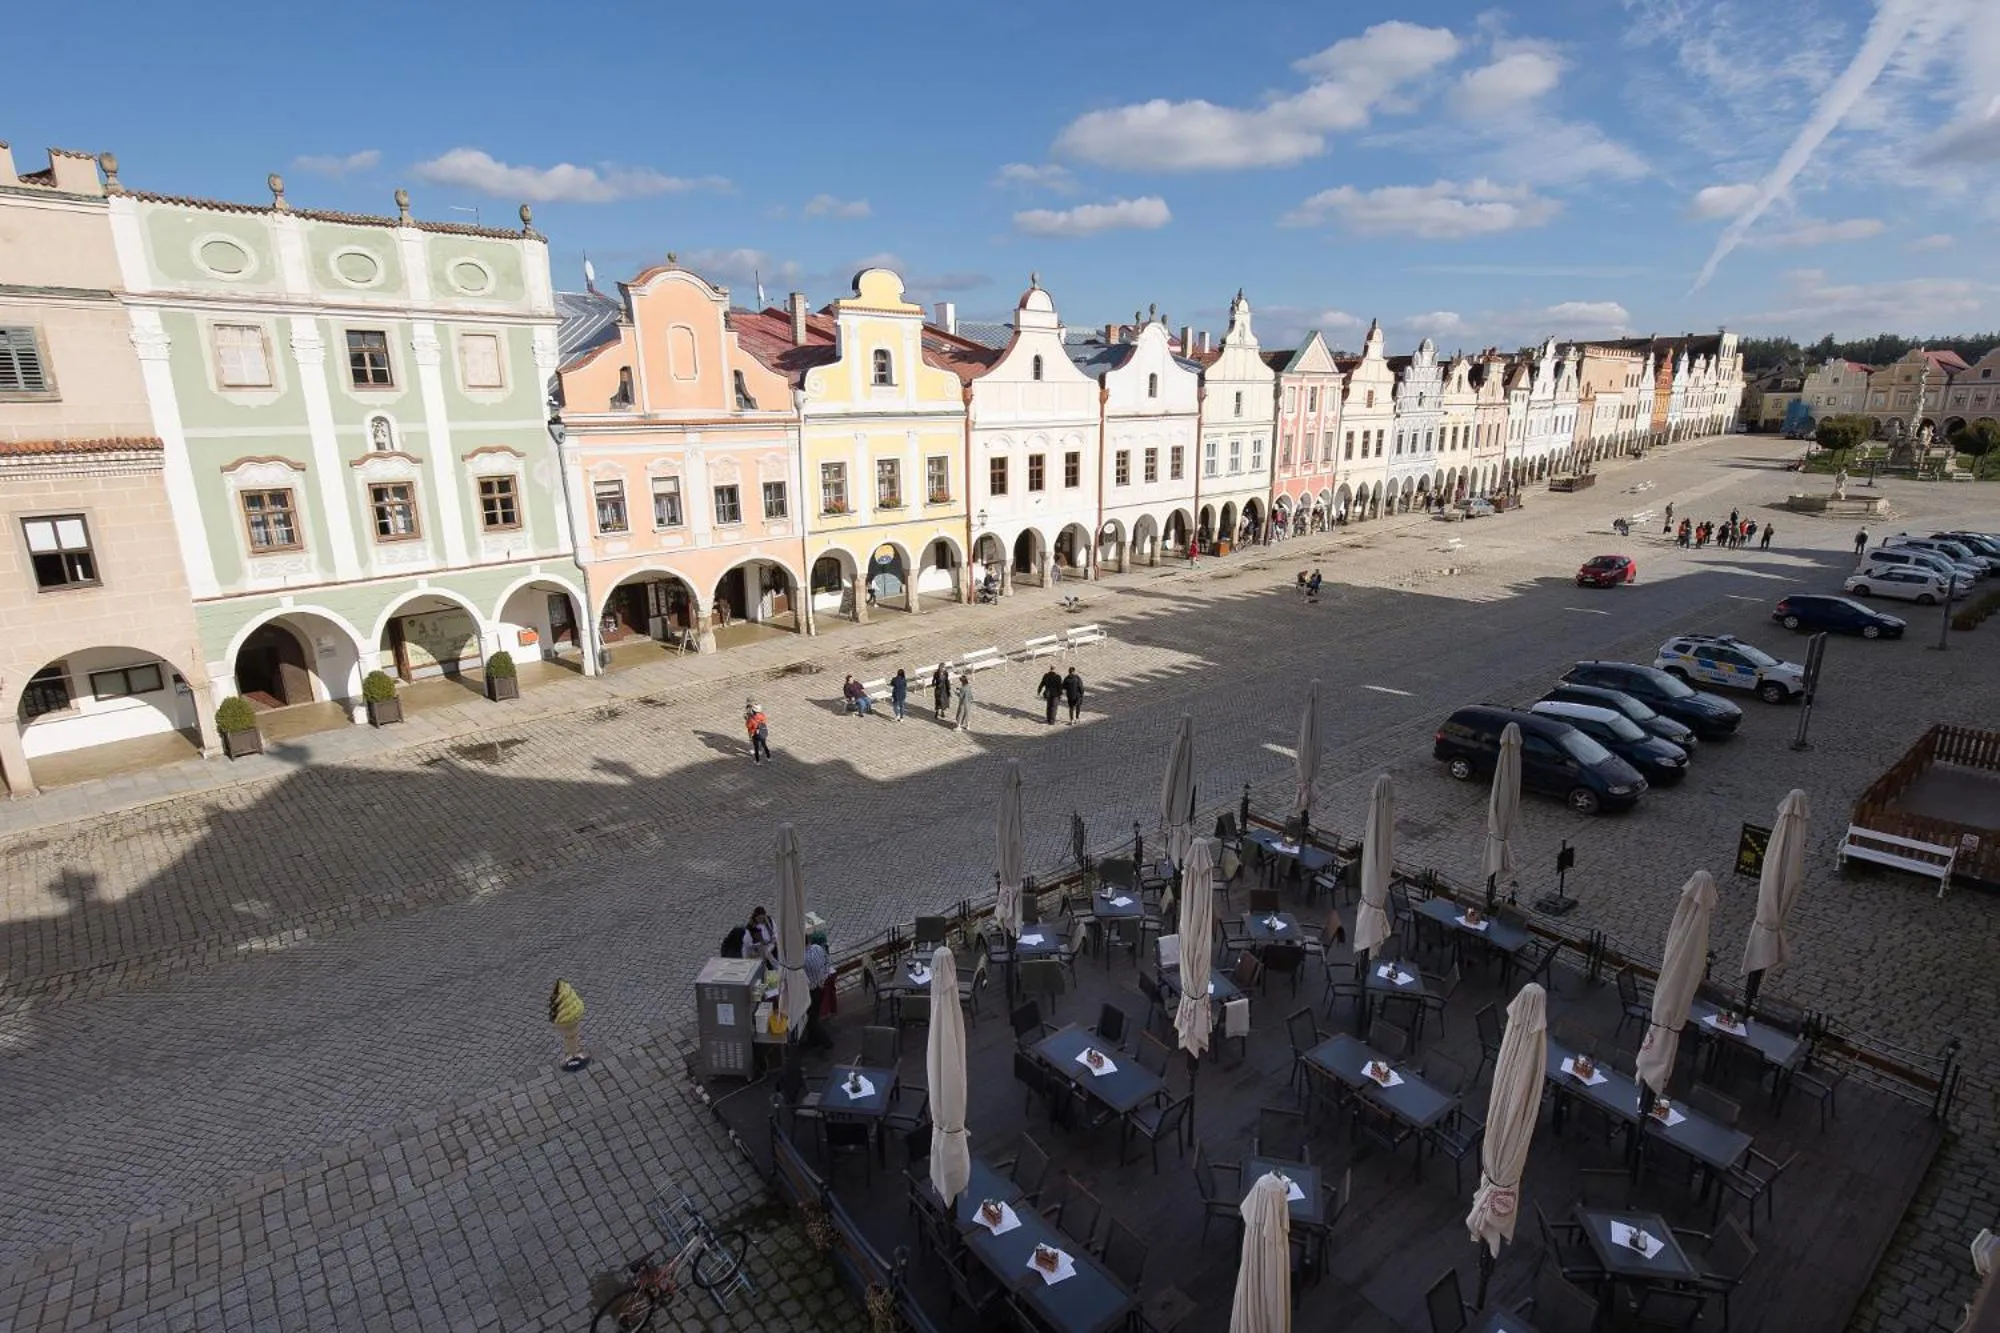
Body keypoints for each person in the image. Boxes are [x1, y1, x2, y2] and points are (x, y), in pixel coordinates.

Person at [800, 930, 834, 1050]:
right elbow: (827, 962)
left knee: (811, 1019)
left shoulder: (801, 959)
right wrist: (823, 978)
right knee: (814, 1015)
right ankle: (813, 1040)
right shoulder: (818, 948)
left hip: (810, 992)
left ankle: (827, 1042)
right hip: (820, 988)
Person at [549, 978, 588, 1071]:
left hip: (564, 1017)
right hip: (570, 1016)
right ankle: (574, 1054)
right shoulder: (567, 995)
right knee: (572, 1036)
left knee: (569, 1036)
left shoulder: (559, 999)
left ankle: (572, 1054)